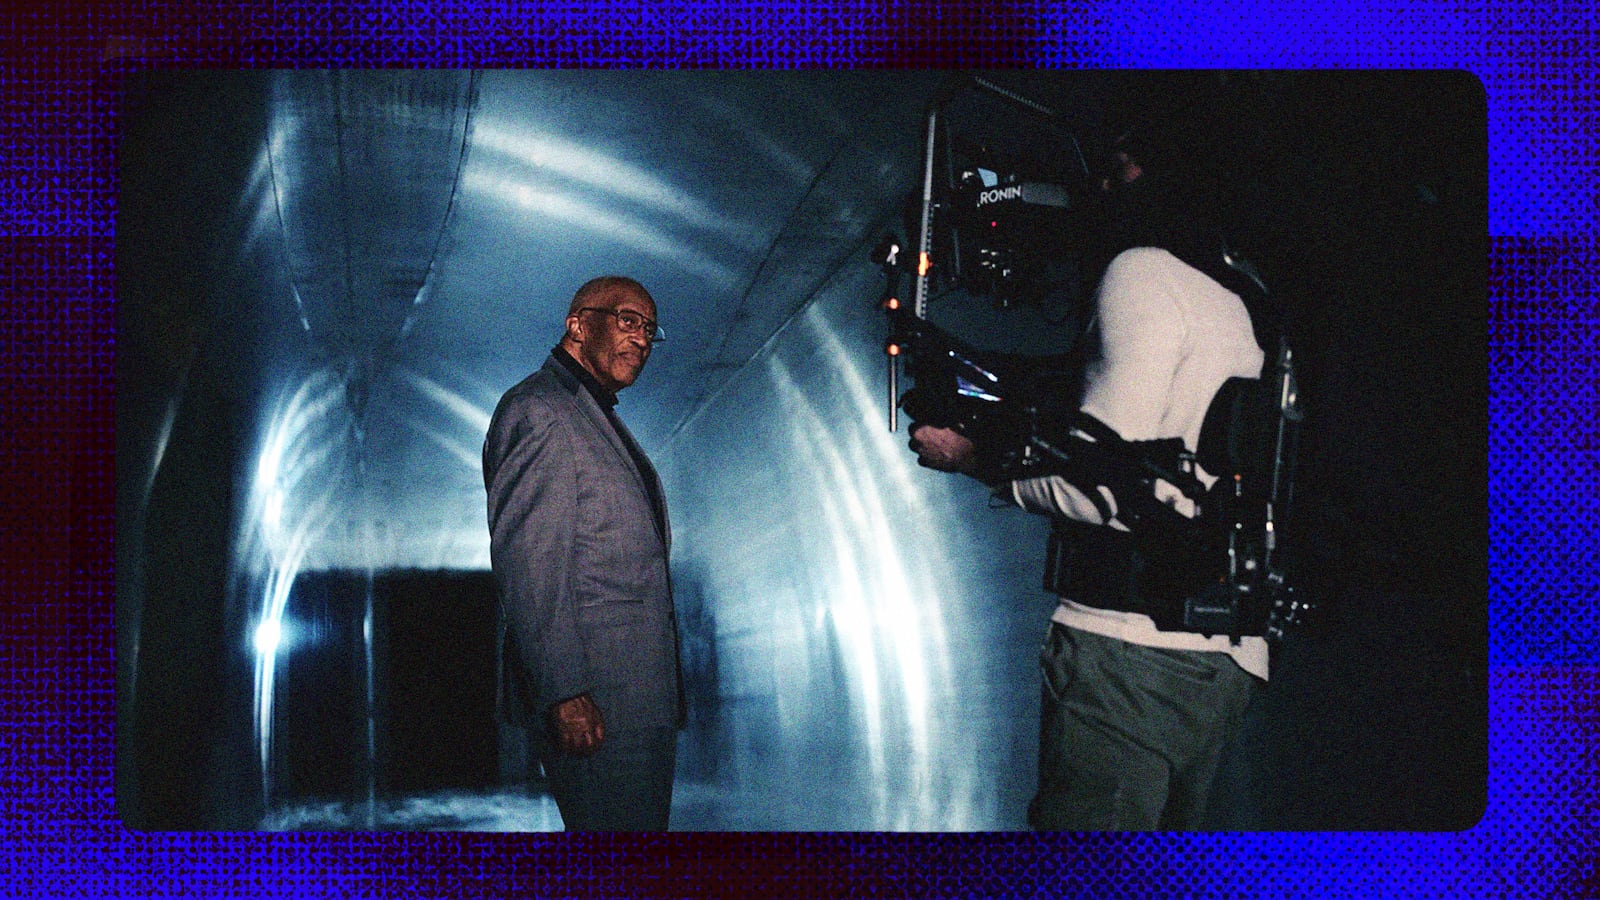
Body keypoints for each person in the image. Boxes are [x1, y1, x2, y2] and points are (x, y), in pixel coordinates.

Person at [909, 135, 1268, 830]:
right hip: (1227, 665)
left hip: (1126, 658)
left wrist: (970, 457)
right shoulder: (1243, 298)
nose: (1102, 188)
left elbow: (1099, 488)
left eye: (1118, 169)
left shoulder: (1141, 273)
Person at [482, 275, 682, 831]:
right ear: (577, 325)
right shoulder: (540, 410)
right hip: (596, 701)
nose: (641, 339)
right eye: (627, 320)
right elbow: (530, 564)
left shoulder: (590, 414)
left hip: (629, 700)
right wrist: (564, 693)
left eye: (649, 329)